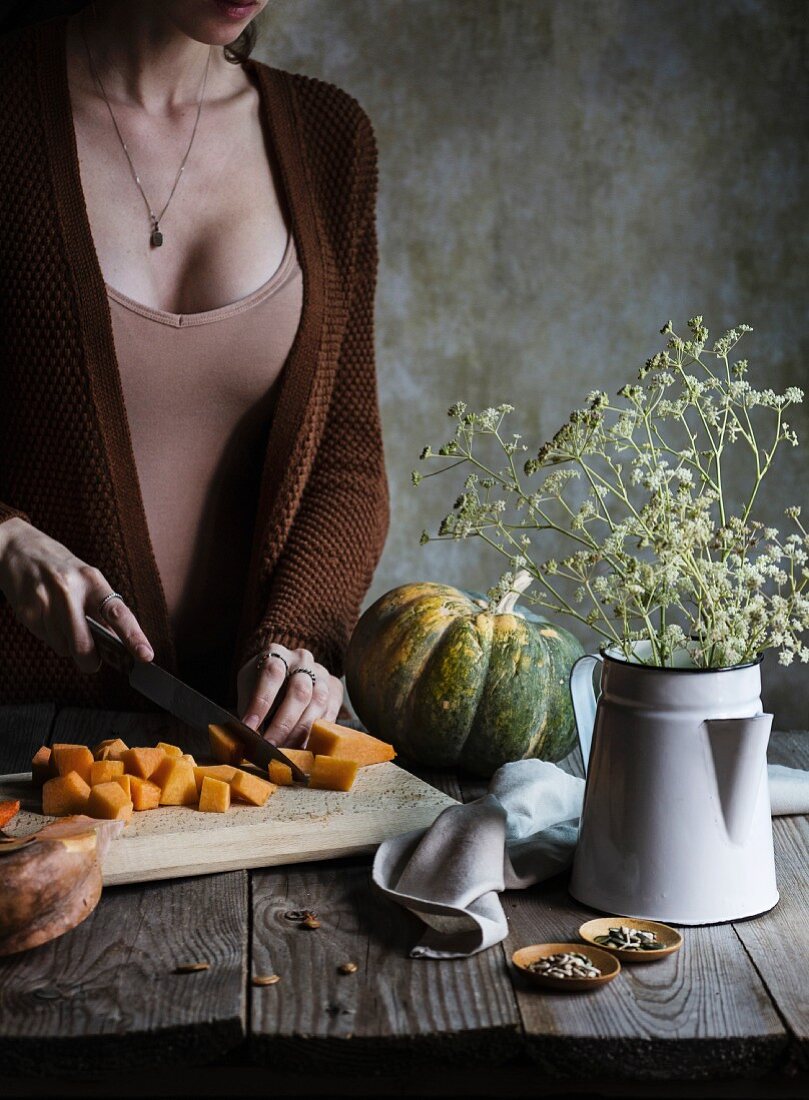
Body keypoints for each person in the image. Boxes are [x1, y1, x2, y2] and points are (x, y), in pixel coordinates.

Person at [0, 0, 389, 747]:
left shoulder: (329, 138)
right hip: (18, 737)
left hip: (238, 754)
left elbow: (347, 453)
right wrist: (6, 539)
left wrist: (298, 639)